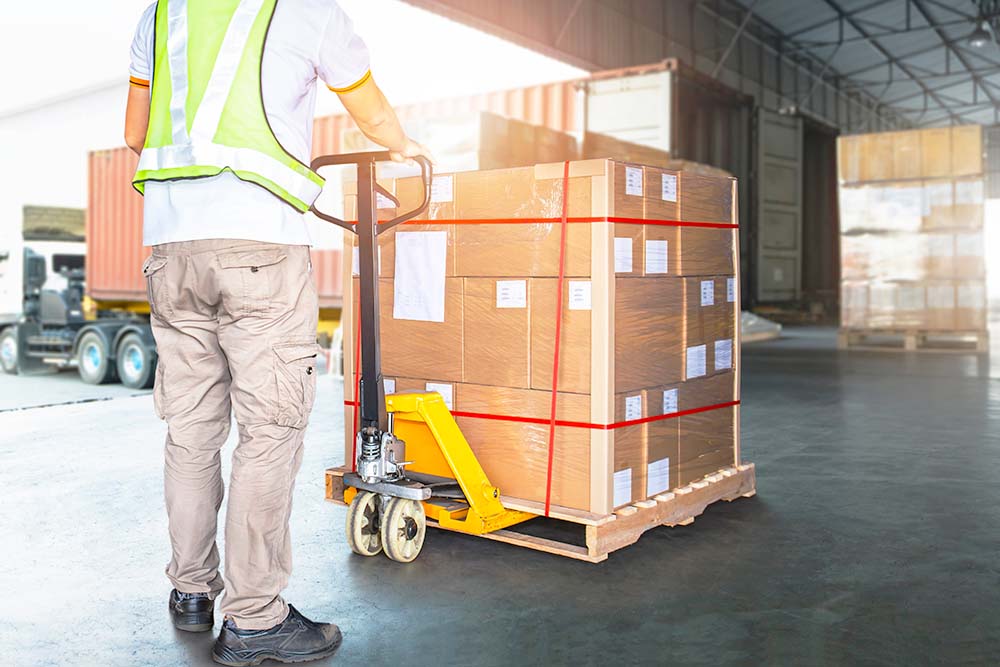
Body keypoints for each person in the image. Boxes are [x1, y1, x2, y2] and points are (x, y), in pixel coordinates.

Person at [124, 1, 430, 664]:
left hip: (171, 248)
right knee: (269, 431)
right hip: (259, 244)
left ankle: (192, 590)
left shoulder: (161, 12)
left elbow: (135, 132)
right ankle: (257, 618)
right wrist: (404, 146)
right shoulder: (307, 9)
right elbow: (372, 113)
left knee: (191, 430)